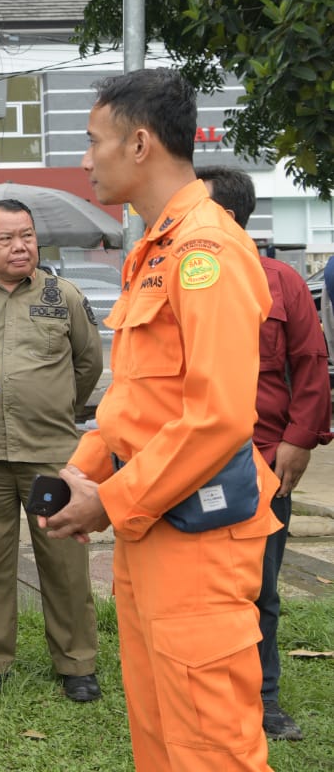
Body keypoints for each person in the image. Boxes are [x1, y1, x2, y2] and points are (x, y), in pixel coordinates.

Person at [43, 69, 279, 772]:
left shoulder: (206, 251)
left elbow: (217, 417)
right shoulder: (156, 247)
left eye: (94, 141)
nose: (85, 159)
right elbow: (139, 401)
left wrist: (109, 500)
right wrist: (80, 472)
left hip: (199, 537)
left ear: (140, 143)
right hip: (154, 526)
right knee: (160, 735)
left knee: (210, 747)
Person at [197, 166, 331, 741]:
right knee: (196, 586)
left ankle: (263, 698)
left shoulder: (281, 282)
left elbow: (311, 364)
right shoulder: (181, 277)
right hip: (191, 461)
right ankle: (201, 691)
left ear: (225, 217)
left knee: (260, 588)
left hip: (262, 461)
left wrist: (300, 440)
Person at [0, 199, 103, 703]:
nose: (20, 246)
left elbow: (88, 363)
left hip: (50, 454)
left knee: (64, 560)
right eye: (6, 239)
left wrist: (60, 409)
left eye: (27, 236)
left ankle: (77, 663)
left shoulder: (64, 296)